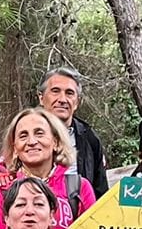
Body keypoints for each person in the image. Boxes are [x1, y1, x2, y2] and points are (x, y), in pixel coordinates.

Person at [0, 107, 95, 229]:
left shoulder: (79, 187)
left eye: (39, 133)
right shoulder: (3, 193)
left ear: (55, 142)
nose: (31, 142)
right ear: (15, 148)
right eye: (23, 136)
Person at [39, 66, 109, 194]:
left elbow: (100, 190)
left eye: (69, 93)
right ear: (41, 98)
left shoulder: (89, 138)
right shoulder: (25, 134)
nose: (62, 99)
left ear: (77, 102)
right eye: (55, 91)